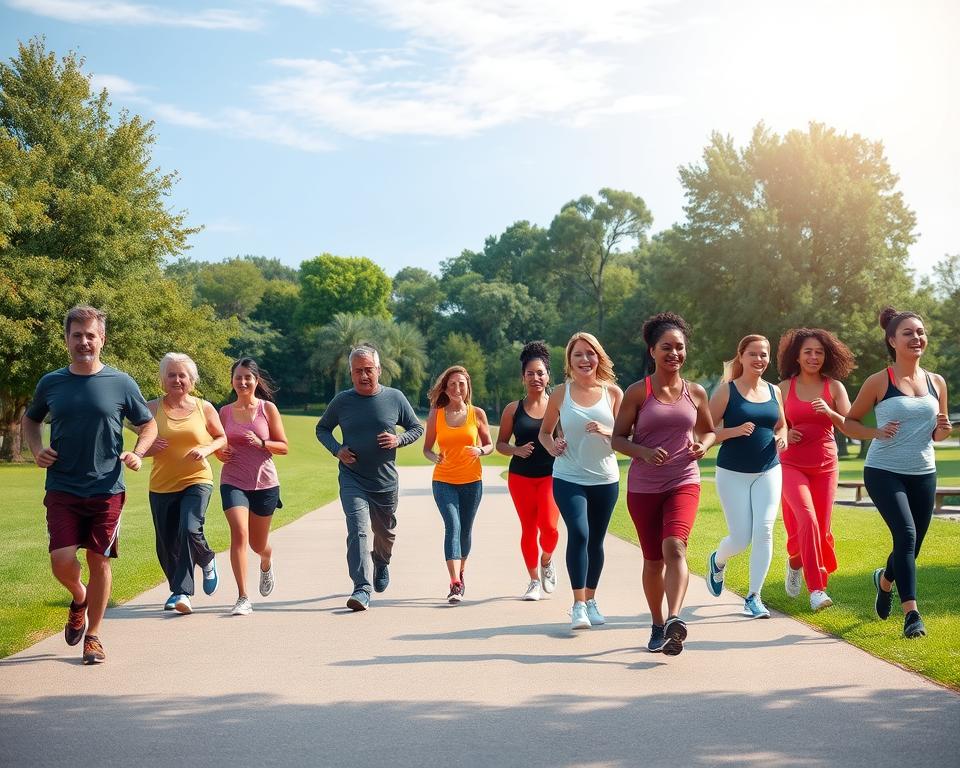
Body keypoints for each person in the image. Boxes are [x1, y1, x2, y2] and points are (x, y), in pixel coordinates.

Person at [22, 305, 157, 664]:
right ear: (66, 339)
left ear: (102, 340)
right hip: (63, 486)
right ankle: (79, 597)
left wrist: (139, 453)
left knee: (99, 560)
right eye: (77, 335)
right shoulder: (51, 383)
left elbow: (148, 424)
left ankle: (93, 636)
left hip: (107, 488)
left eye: (90, 335)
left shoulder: (121, 382)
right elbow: (31, 419)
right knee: (61, 561)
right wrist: (37, 449)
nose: (84, 341)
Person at [840, 307, 951, 638]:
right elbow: (850, 421)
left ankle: (885, 581)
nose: (916, 338)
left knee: (912, 545)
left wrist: (943, 429)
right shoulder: (880, 381)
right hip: (884, 470)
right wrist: (876, 432)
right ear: (892, 340)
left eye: (920, 332)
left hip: (923, 471)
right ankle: (912, 615)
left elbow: (937, 433)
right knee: (906, 535)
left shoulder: (937, 382)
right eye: (908, 333)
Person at [612, 313, 715, 655]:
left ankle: (674, 619)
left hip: (684, 480)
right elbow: (617, 439)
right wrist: (641, 451)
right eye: (666, 347)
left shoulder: (696, 392)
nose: (674, 353)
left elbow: (709, 430)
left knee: (675, 547)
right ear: (652, 351)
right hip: (643, 487)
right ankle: (657, 625)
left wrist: (704, 444)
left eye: (680, 347)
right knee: (653, 560)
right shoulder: (638, 392)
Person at [316, 344, 424, 611]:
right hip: (353, 478)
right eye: (357, 371)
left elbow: (416, 427)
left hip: (385, 482)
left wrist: (398, 439)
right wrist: (337, 450)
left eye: (368, 370)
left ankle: (382, 561)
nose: (364, 376)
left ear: (379, 370)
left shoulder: (395, 398)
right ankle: (361, 588)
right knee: (358, 529)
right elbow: (323, 429)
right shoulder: (342, 401)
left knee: (385, 533)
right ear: (351, 374)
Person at [539, 332, 623, 632]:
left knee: (596, 541)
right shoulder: (561, 394)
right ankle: (577, 605)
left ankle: (591, 600)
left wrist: (605, 431)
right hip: (569, 476)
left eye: (590, 353)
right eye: (578, 354)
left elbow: (627, 440)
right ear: (570, 361)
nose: (585, 359)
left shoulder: (613, 393)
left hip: (605, 478)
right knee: (580, 532)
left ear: (598, 357)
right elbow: (545, 433)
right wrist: (553, 446)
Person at [705, 334, 788, 619]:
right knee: (740, 539)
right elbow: (703, 432)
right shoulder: (727, 391)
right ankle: (718, 560)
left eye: (764, 354)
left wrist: (782, 437)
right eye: (753, 354)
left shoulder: (775, 391)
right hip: (732, 473)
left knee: (764, 531)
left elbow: (782, 425)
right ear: (741, 356)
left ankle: (754, 597)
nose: (759, 359)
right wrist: (733, 432)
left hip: (768, 469)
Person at [141, 353, 227, 615]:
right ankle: (205, 559)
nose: (177, 380)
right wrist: (147, 445)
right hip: (161, 484)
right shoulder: (150, 408)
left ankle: (182, 593)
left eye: (182, 375)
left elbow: (221, 437)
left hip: (197, 479)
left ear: (192, 380)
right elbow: (138, 435)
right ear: (163, 379)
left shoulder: (204, 407)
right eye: (171, 375)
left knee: (189, 529)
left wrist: (207, 449)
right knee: (166, 543)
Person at [776, 329, 854, 612]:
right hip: (791, 463)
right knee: (806, 520)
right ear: (796, 356)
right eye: (807, 351)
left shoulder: (834, 387)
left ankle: (795, 561)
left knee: (820, 529)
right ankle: (817, 589)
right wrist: (788, 431)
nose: (813, 357)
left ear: (826, 356)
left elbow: (849, 423)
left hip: (825, 464)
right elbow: (774, 426)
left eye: (819, 352)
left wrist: (830, 413)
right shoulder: (783, 388)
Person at [217, 358, 288, 616]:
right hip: (233, 480)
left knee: (258, 544)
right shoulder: (224, 412)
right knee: (239, 533)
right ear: (232, 381)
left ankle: (266, 560)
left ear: (256, 381)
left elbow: (283, 447)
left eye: (248, 377)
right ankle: (243, 597)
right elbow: (217, 442)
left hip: (264, 483)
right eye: (239, 377)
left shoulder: (267, 409)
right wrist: (219, 454)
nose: (243, 382)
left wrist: (261, 442)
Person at [423, 365, 493, 603]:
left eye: (461, 384)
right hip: (443, 480)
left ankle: (461, 573)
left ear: (467, 387)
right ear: (446, 387)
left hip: (472, 482)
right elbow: (427, 448)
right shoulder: (436, 413)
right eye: (452, 384)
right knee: (452, 525)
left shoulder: (478, 414)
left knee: (465, 530)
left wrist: (480, 450)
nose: (456, 388)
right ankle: (454, 583)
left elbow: (489, 444)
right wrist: (435, 457)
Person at [496, 341, 560, 601]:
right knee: (528, 528)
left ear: (547, 376)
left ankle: (546, 560)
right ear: (523, 378)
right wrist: (516, 450)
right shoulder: (513, 409)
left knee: (550, 528)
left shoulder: (558, 405)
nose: (536, 378)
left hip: (552, 475)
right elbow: (501, 443)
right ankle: (534, 580)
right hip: (521, 477)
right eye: (530, 373)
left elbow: (564, 437)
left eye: (540, 373)